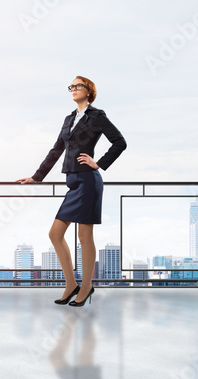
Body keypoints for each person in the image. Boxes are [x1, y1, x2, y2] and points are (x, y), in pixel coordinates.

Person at [16, 76, 127, 307]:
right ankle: (71, 284)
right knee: (55, 234)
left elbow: (119, 142)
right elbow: (57, 149)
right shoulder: (68, 119)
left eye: (78, 86)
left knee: (84, 236)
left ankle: (86, 287)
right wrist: (37, 177)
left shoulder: (97, 116)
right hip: (72, 183)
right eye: (72, 87)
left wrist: (100, 163)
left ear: (89, 91)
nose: (73, 89)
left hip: (88, 181)